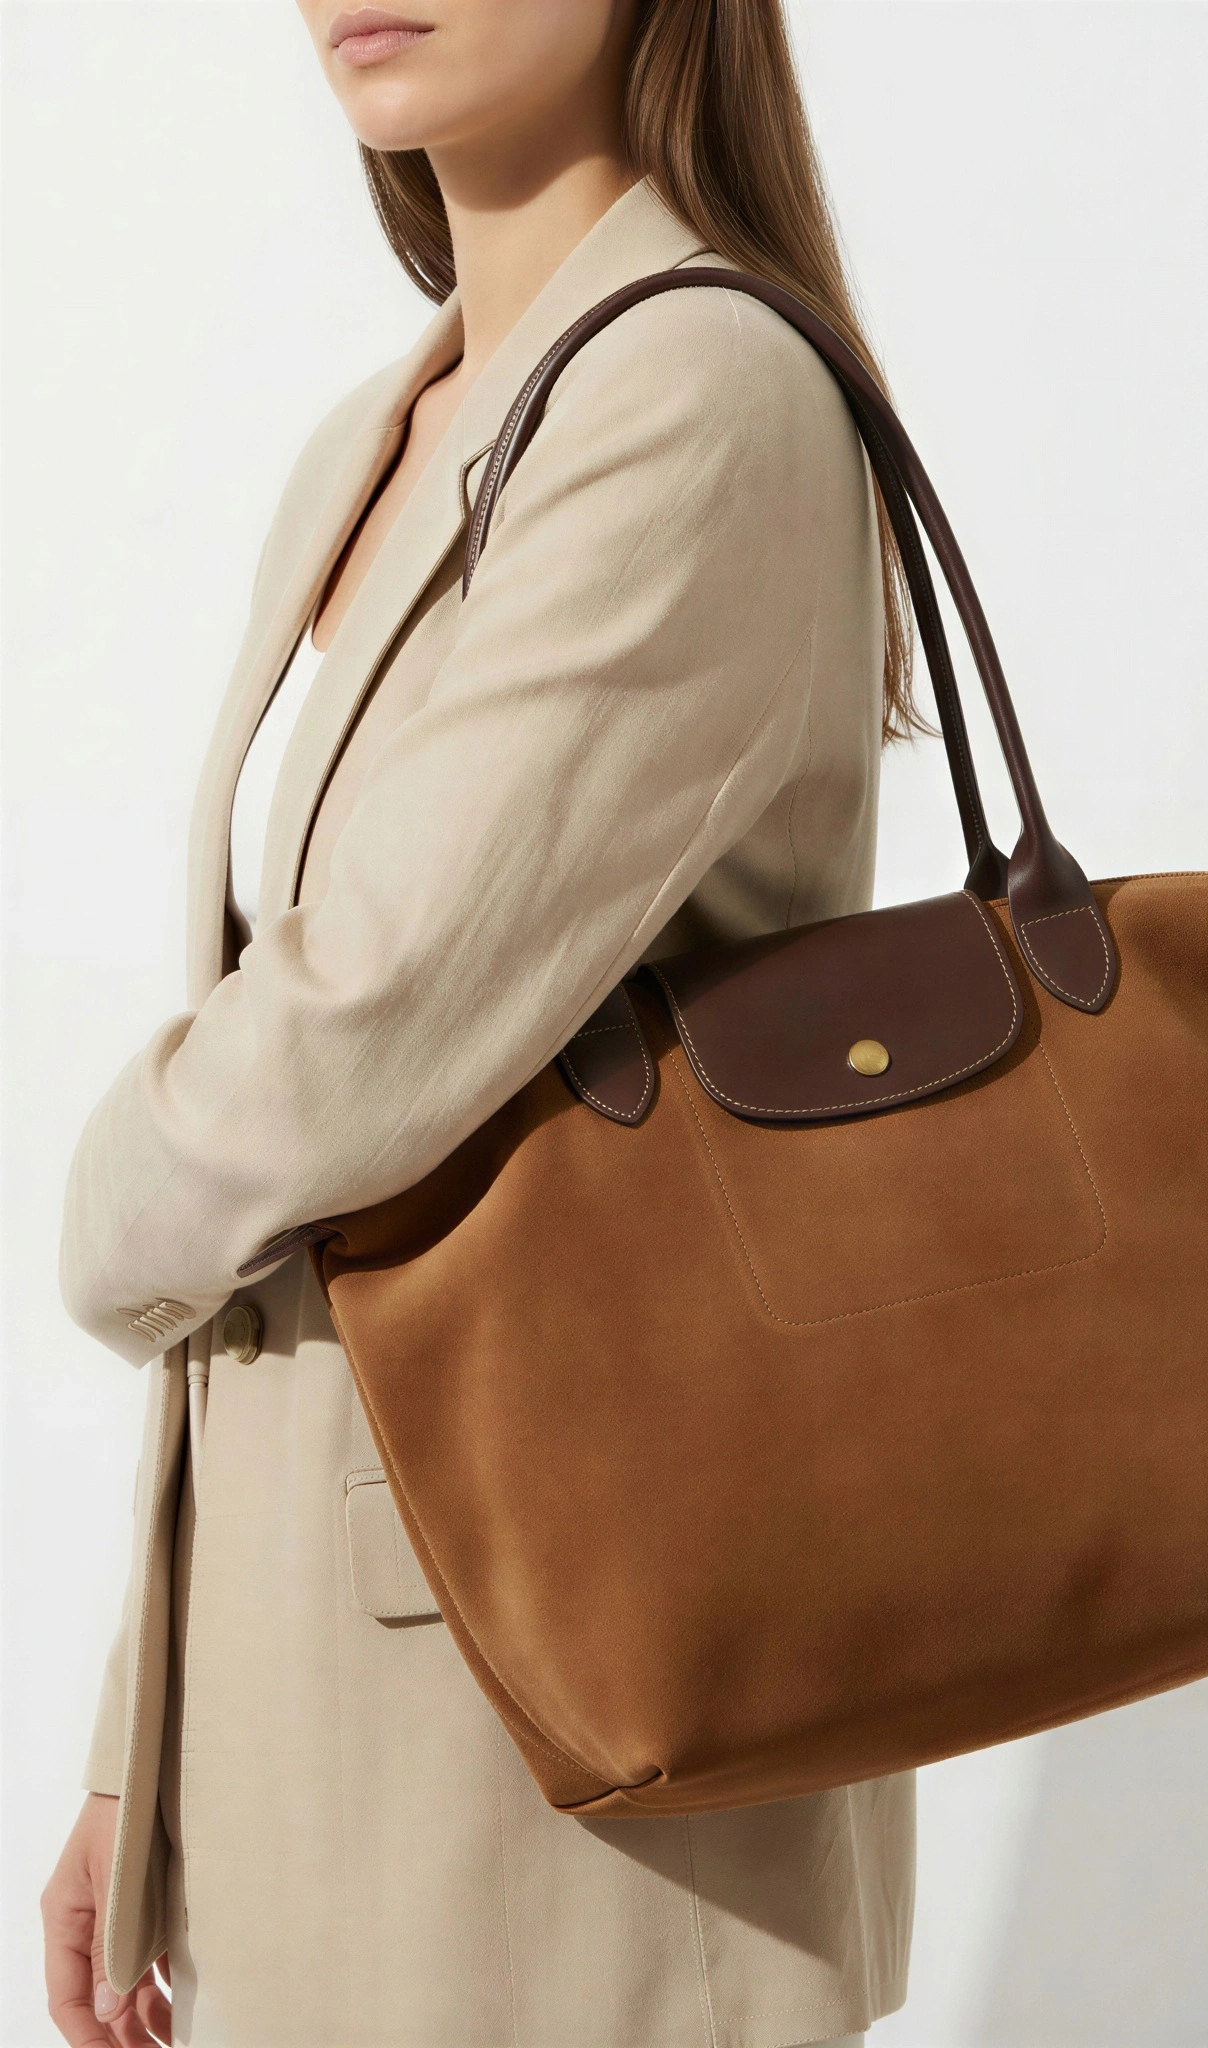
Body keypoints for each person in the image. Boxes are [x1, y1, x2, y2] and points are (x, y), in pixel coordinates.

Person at [41, 1, 922, 2041]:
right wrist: (139, 1738)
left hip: (568, 1706)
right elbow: (298, 1193)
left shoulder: (699, 388)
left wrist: (100, 1203)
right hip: (320, 1692)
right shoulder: (383, 433)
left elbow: (355, 1032)